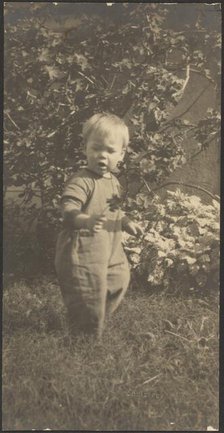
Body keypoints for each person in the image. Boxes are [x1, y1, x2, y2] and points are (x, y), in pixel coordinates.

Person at [55, 112, 143, 338]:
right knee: (89, 293)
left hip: (109, 248)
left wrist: (126, 222)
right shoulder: (82, 181)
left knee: (119, 279)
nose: (102, 156)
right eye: (96, 148)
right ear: (86, 148)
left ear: (121, 154)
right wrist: (86, 220)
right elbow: (68, 209)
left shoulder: (113, 182)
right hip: (82, 250)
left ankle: (93, 318)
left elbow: (115, 209)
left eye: (110, 151)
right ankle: (84, 340)